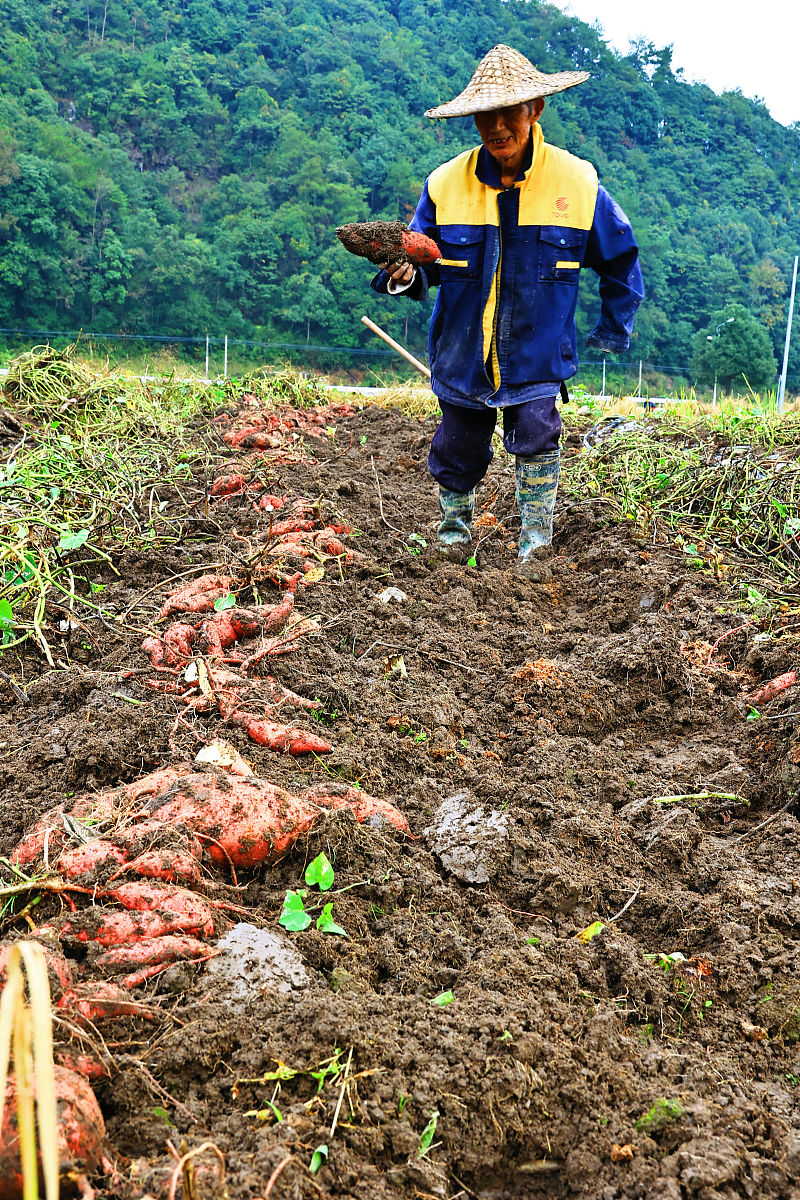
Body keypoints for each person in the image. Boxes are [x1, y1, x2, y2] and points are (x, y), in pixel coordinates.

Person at [371, 44, 644, 567]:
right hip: (462, 351)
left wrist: (613, 327)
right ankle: (453, 538)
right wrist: (404, 274)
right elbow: (420, 256)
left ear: (534, 110)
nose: (497, 127)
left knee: (538, 436)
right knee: (457, 446)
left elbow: (620, 259)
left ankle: (535, 547)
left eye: (508, 113)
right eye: (484, 117)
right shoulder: (445, 184)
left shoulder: (578, 184)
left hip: (536, 351)